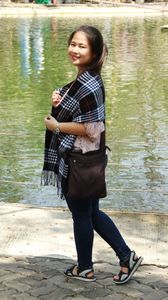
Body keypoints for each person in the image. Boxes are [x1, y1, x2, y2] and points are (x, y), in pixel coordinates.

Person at [42, 25, 143, 284]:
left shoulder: (89, 84)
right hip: (82, 158)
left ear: (95, 52)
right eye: (73, 44)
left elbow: (92, 128)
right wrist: (58, 103)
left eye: (82, 46)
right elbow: (79, 111)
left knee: (82, 215)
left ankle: (88, 267)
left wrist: (57, 125)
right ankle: (122, 258)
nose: (75, 50)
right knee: (90, 213)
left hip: (79, 161)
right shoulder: (84, 80)